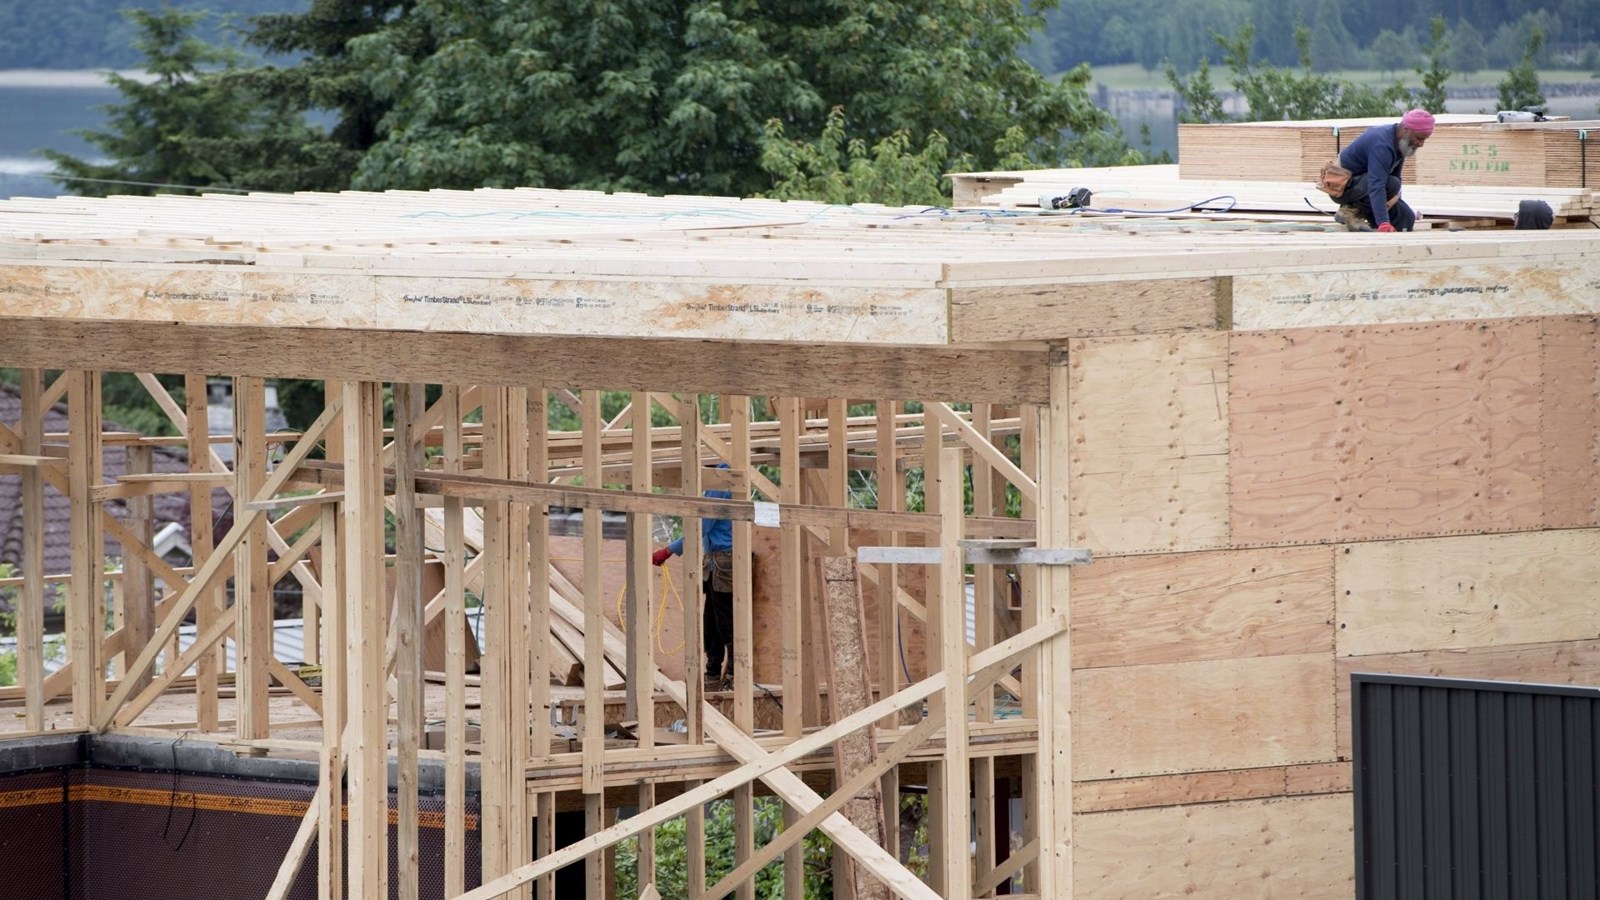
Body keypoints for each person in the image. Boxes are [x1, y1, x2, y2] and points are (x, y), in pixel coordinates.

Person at [651, 464, 735, 684]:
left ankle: (733, 677)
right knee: (713, 622)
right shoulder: (727, 477)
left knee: (725, 624)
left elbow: (701, 527)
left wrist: (669, 550)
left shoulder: (721, 480)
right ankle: (714, 674)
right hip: (719, 562)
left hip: (724, 562)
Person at [1331, 108, 1435, 233]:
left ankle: (1368, 215)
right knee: (1392, 184)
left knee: (1406, 219)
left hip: (1364, 186)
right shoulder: (1382, 144)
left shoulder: (1401, 142)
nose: (1421, 144)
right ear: (1406, 130)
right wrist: (1383, 222)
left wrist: (1394, 203)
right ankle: (1349, 211)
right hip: (1341, 187)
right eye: (1419, 138)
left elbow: (1396, 177)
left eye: (1424, 140)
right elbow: (1377, 183)